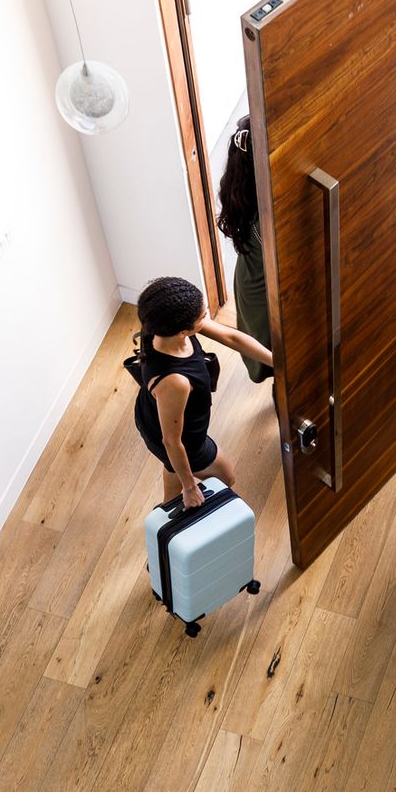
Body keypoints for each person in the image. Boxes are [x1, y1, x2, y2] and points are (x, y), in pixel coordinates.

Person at [131, 276, 274, 509]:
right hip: (184, 440)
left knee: (171, 467)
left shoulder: (160, 325)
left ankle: (169, 505)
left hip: (156, 418)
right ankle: (179, 499)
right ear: (182, 331)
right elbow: (172, 441)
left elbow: (232, 337)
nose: (206, 316)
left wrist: (277, 362)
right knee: (226, 478)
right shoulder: (174, 382)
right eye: (202, 316)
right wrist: (190, 487)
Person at [217, 115, 274, 384]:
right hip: (264, 294)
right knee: (276, 358)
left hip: (249, 278)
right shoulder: (267, 218)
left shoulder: (242, 186)